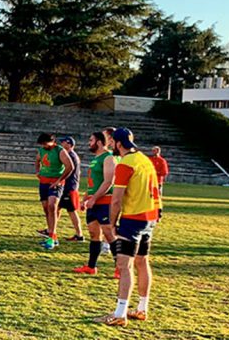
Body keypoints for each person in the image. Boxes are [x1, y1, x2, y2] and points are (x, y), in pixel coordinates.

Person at [95, 128, 161, 327]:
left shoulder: (125, 164)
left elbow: (116, 200)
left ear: (118, 144)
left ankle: (120, 314)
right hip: (149, 218)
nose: (112, 146)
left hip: (132, 220)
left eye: (113, 142)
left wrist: (112, 224)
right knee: (142, 262)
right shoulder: (144, 159)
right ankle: (142, 308)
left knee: (124, 266)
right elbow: (157, 190)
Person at [73, 132, 118, 276]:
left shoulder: (108, 158)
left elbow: (108, 182)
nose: (88, 142)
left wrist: (94, 198)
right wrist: (85, 198)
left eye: (91, 140)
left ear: (99, 142)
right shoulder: (96, 159)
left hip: (105, 202)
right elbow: (94, 183)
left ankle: (120, 268)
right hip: (93, 202)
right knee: (94, 233)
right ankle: (91, 267)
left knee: (109, 234)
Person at [35, 133, 73, 250]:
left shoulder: (59, 151)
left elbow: (70, 166)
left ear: (52, 141)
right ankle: (52, 235)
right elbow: (37, 161)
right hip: (44, 182)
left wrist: (59, 180)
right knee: (46, 208)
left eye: (45, 143)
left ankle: (52, 236)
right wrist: (38, 172)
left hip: (55, 183)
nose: (44, 146)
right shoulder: (41, 150)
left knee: (52, 206)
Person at [58, 136, 84, 241]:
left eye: (63, 142)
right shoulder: (73, 155)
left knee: (72, 211)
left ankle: (80, 235)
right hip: (69, 186)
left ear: (69, 144)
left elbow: (68, 171)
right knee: (57, 208)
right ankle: (51, 229)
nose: (61, 144)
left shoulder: (70, 156)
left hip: (69, 187)